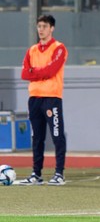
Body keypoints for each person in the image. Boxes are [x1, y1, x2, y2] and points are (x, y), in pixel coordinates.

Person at [19, 14, 69, 186]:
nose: (41, 30)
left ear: (52, 28)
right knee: (37, 137)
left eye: (44, 26)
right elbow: (24, 73)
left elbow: (51, 71)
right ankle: (36, 174)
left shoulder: (59, 48)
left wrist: (35, 72)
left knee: (57, 136)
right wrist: (38, 73)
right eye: (39, 26)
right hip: (34, 99)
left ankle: (59, 174)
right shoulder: (31, 50)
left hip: (51, 98)